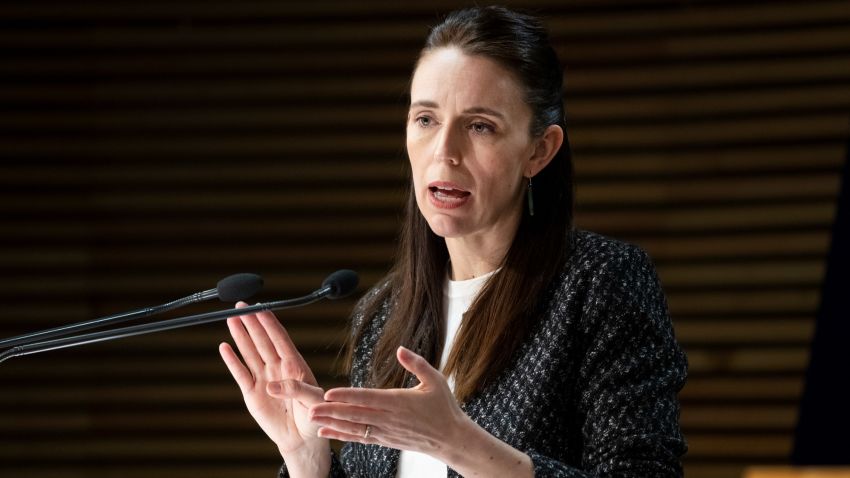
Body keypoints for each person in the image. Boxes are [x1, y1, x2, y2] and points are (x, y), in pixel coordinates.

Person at [219, 6, 688, 478]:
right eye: (425, 119)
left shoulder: (598, 284)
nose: (445, 151)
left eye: (480, 126)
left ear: (539, 150)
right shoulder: (383, 313)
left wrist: (457, 444)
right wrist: (307, 457)